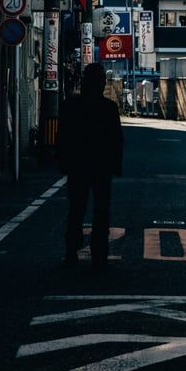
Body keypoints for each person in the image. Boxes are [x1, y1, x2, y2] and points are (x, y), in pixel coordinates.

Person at [56, 63, 124, 270]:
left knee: (76, 209)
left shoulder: (70, 105)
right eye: (101, 79)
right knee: (101, 211)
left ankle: (71, 251)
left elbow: (63, 137)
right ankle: (99, 255)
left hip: (77, 165)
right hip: (101, 167)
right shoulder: (109, 108)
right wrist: (116, 165)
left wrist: (63, 162)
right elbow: (116, 140)